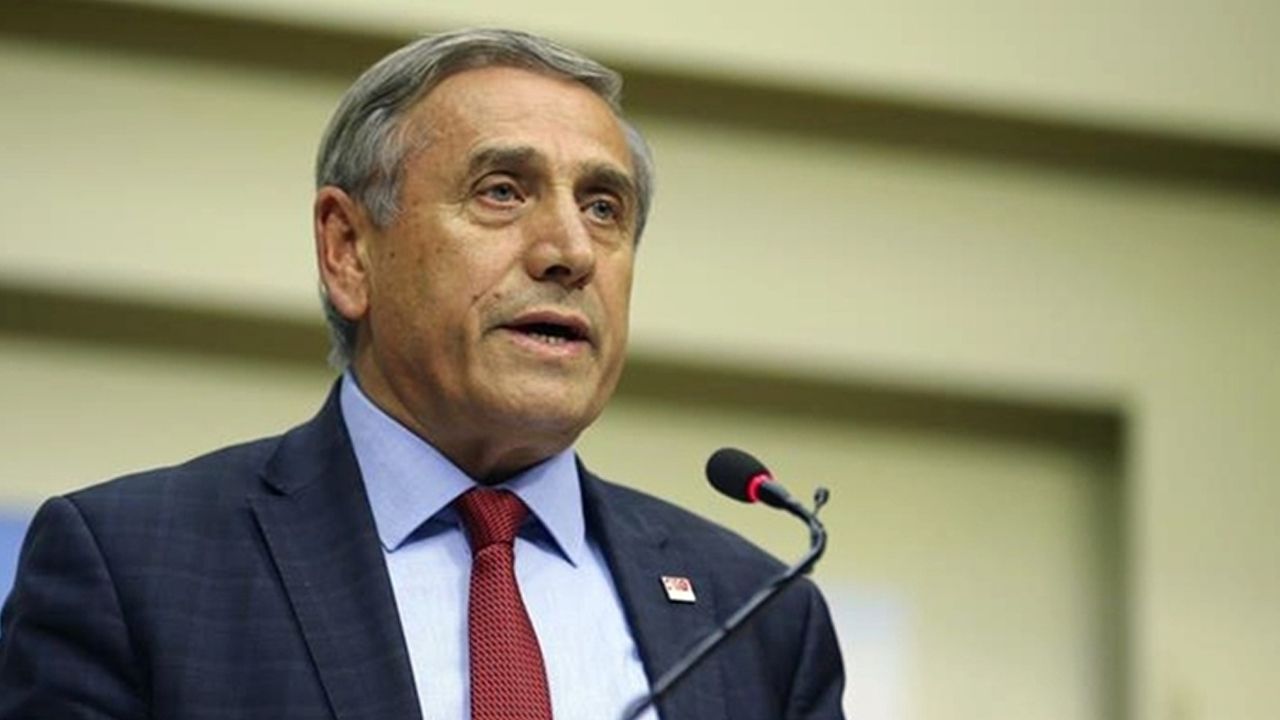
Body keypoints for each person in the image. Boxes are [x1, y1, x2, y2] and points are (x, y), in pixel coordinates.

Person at [0, 28, 845, 720]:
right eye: (502, 192)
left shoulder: (759, 615)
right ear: (348, 250)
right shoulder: (133, 567)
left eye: (603, 208)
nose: (570, 252)